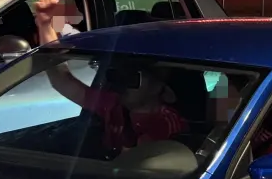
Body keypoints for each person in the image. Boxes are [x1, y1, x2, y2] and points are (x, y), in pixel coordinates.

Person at [45, 61, 185, 157]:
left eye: (132, 78)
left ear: (158, 88)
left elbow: (137, 161)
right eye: (119, 77)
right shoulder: (114, 103)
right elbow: (62, 82)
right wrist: (45, 26)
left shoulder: (167, 122)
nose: (122, 84)